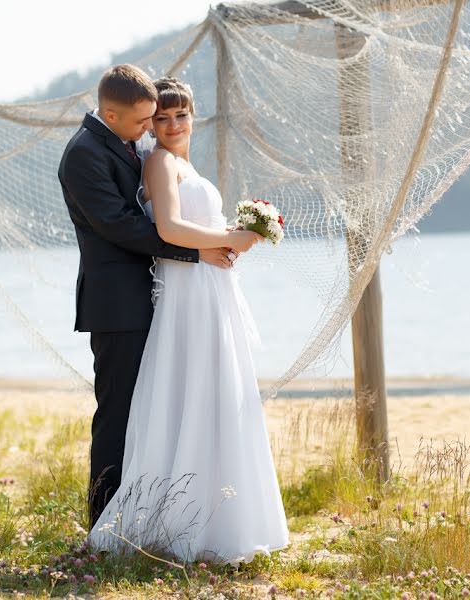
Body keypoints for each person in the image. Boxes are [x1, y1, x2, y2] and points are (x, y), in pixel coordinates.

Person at [86, 76, 289, 564]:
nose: (173, 125)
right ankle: (172, 522)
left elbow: (191, 225)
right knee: (194, 393)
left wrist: (235, 232)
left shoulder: (183, 163)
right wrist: (225, 242)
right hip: (187, 292)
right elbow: (168, 227)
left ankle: (224, 519)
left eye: (181, 115)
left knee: (220, 396)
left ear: (193, 116)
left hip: (208, 290)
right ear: (150, 124)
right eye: (161, 118)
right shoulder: (158, 161)